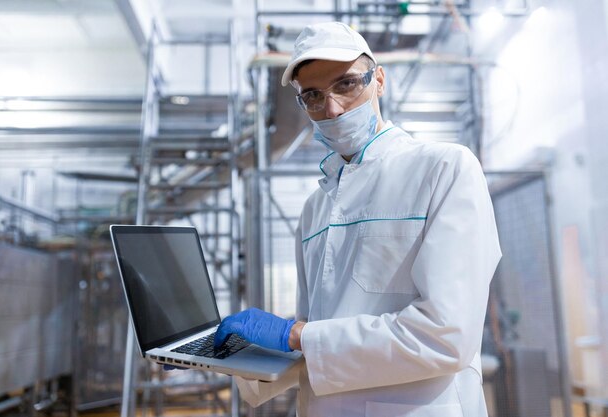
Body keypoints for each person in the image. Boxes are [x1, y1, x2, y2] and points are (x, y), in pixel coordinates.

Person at [214, 21, 502, 416]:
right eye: (312, 96)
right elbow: (319, 338)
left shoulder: (444, 169)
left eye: (347, 84)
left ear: (379, 80)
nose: (331, 108)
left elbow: (446, 336)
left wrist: (295, 335)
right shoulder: (317, 206)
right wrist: (239, 358)